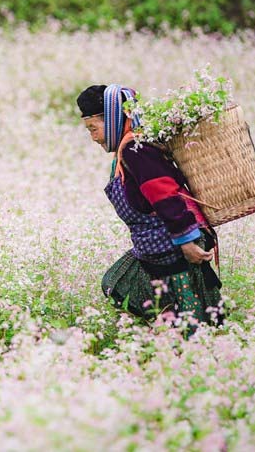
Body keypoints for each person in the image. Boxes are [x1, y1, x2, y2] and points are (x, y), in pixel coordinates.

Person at [77, 84, 223, 332]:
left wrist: (187, 241)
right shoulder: (128, 149)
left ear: (112, 119)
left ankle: (185, 348)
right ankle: (170, 340)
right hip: (158, 249)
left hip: (175, 247)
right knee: (122, 286)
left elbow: (164, 193)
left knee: (188, 318)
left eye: (94, 128)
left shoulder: (137, 150)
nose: (93, 137)